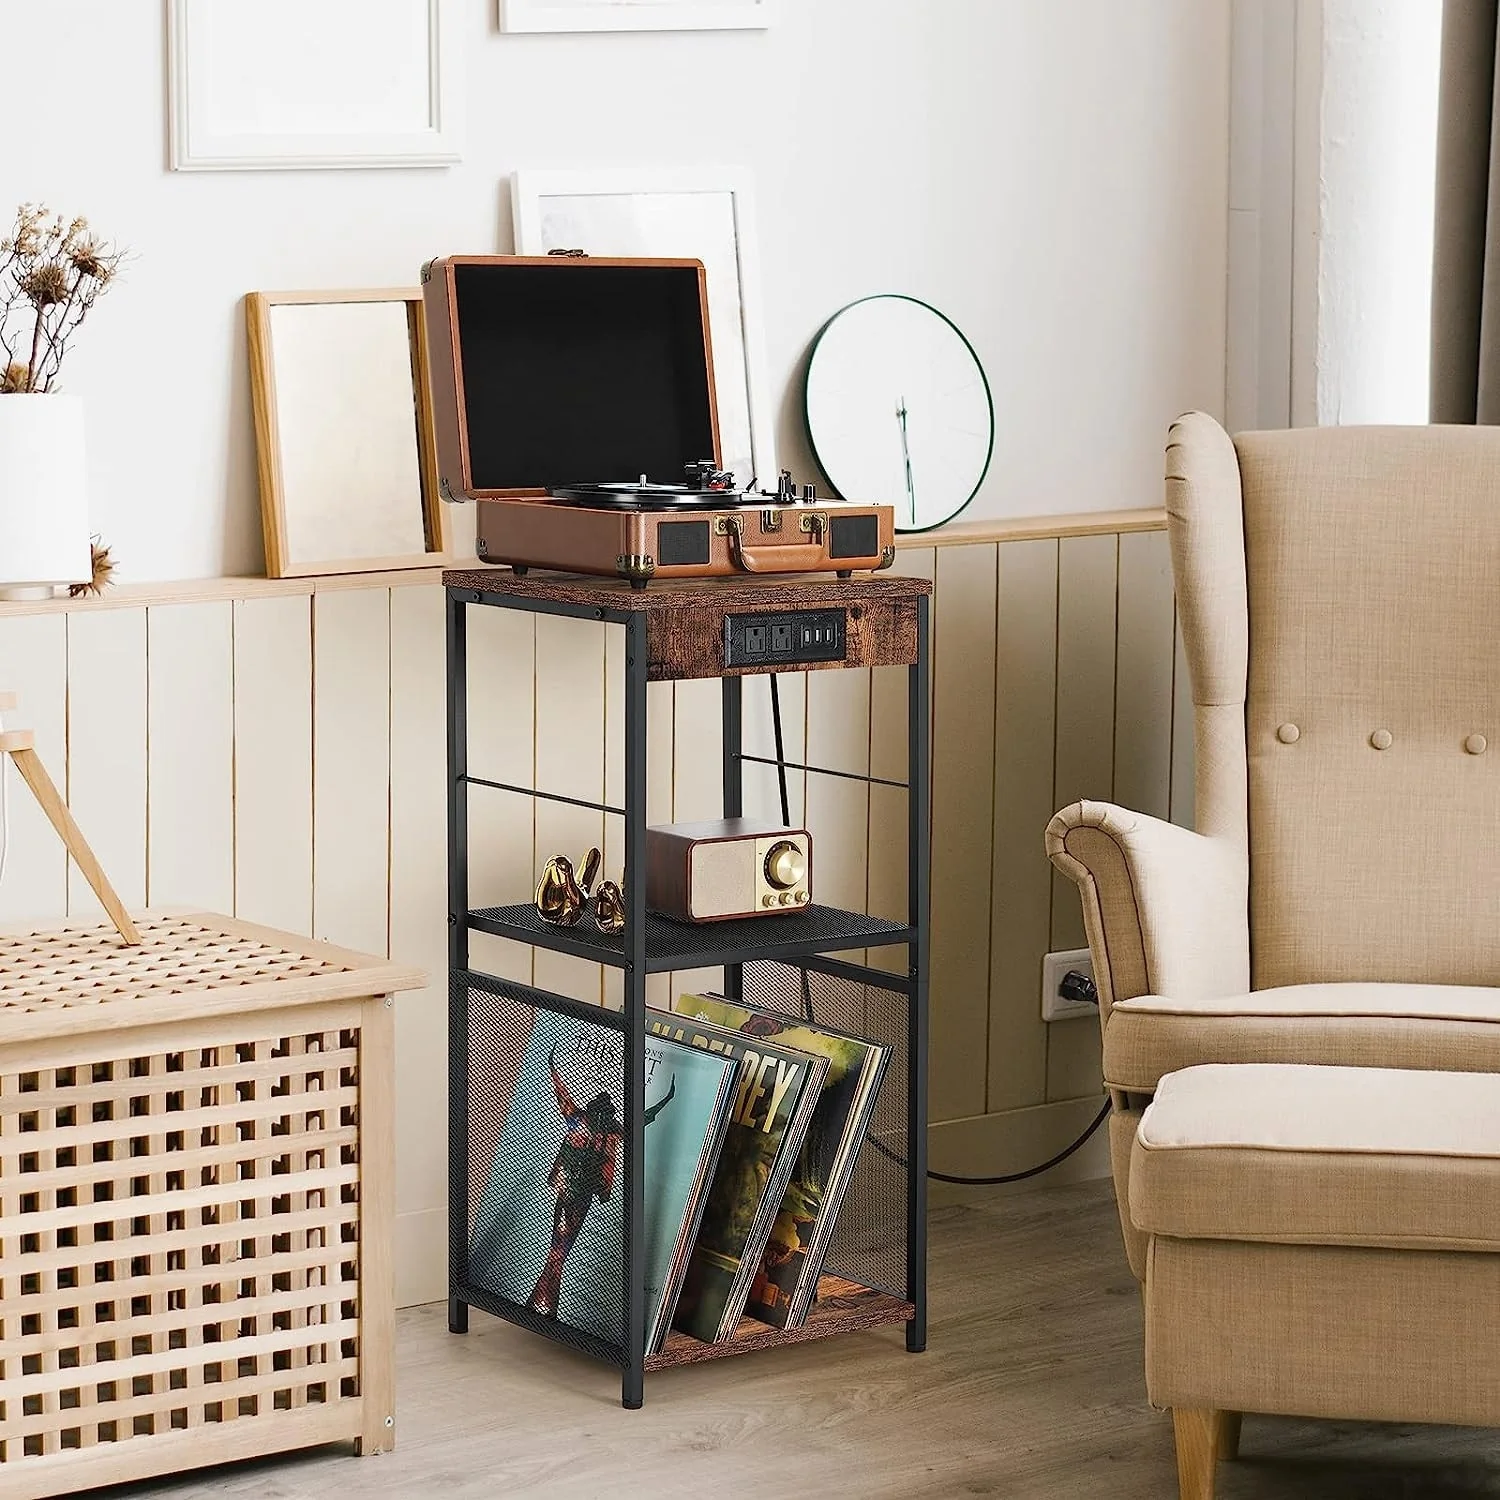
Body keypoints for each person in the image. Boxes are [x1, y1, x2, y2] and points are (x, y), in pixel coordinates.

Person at [526, 1048, 675, 1318]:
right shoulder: (597, 1125)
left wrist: (665, 1100)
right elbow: (641, 1120)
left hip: (574, 1192)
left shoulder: (585, 1121)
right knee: (560, 1247)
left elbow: (564, 1096)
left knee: (560, 1246)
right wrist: (665, 1101)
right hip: (575, 1192)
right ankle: (544, 1303)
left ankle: (542, 1301)